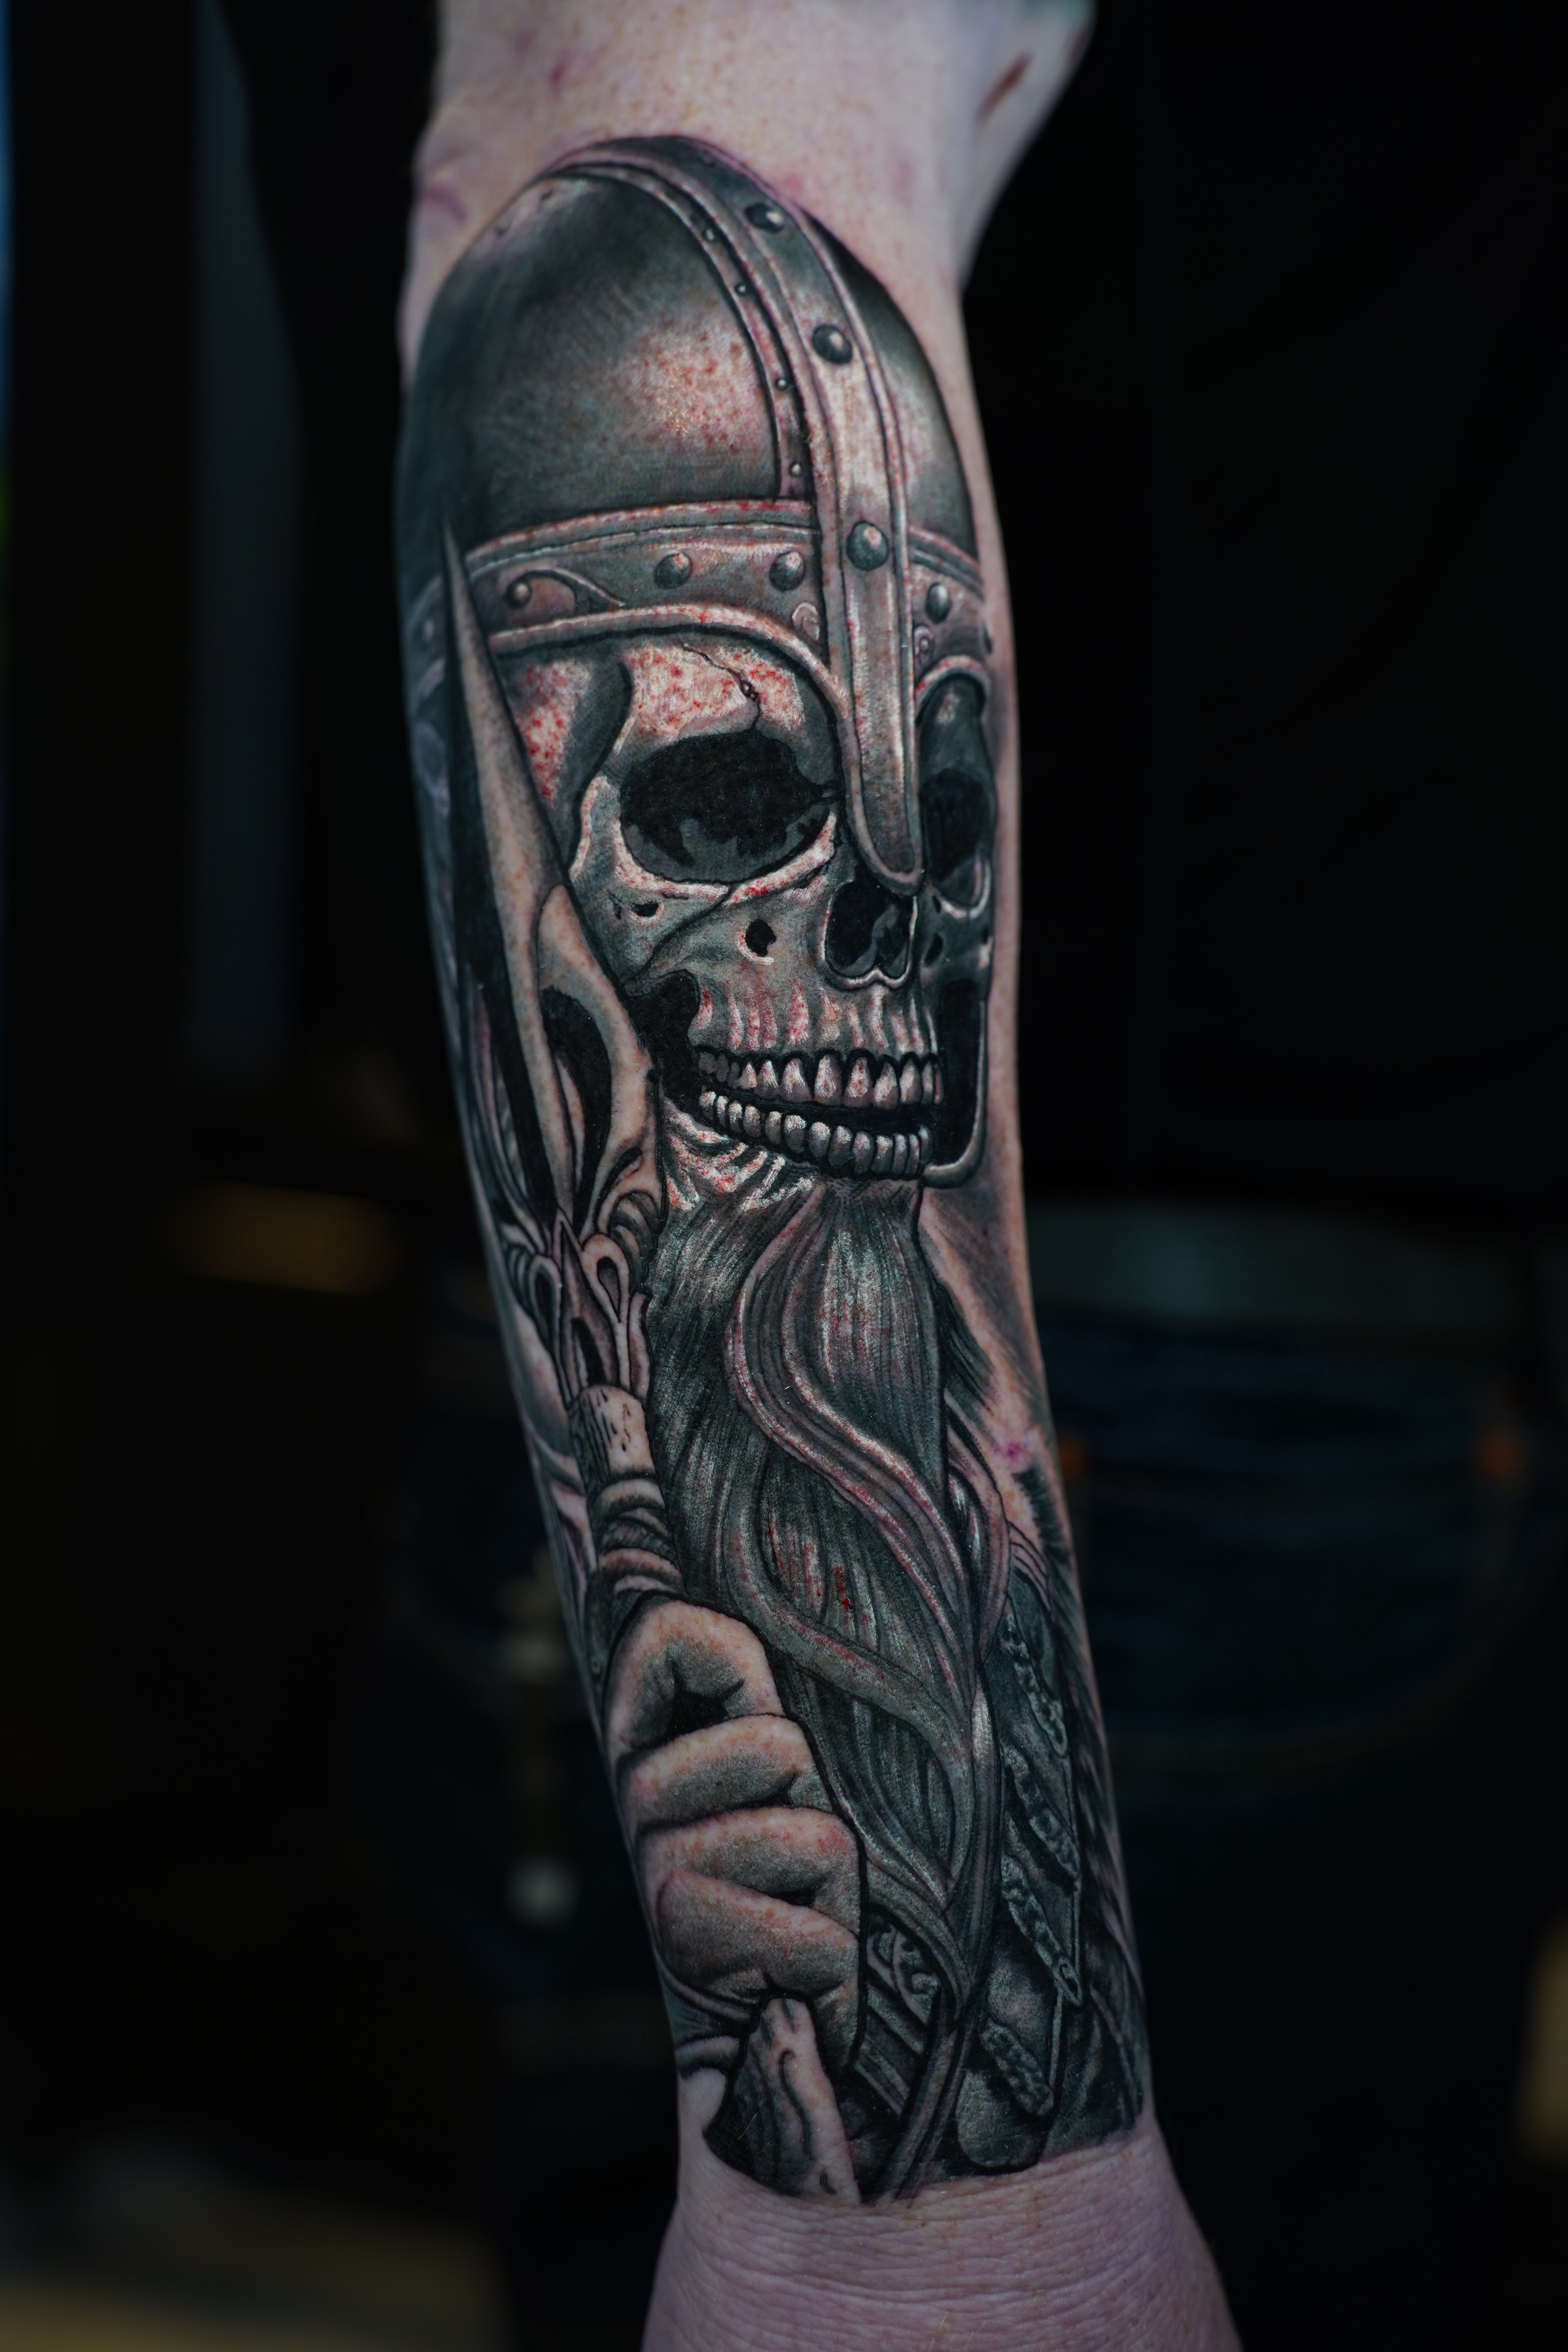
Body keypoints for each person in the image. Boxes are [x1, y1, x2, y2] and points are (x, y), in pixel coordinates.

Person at [390, 3, 1232, 2346]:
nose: (881, 927)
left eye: (921, 825)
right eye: (725, 806)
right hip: (1211, 1446)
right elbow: (655, 93)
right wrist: (936, 2259)